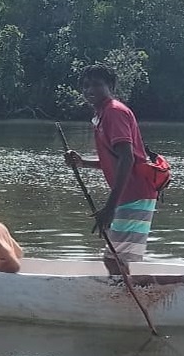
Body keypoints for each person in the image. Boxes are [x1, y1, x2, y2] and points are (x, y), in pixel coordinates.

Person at [62, 64, 158, 268]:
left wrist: (110, 208)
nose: (90, 90)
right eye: (86, 85)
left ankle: (123, 297)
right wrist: (82, 162)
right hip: (131, 195)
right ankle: (124, 293)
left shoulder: (114, 112)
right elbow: (115, 161)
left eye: (97, 84)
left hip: (134, 195)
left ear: (111, 86)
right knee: (117, 258)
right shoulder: (102, 115)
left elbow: (128, 159)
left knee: (115, 259)